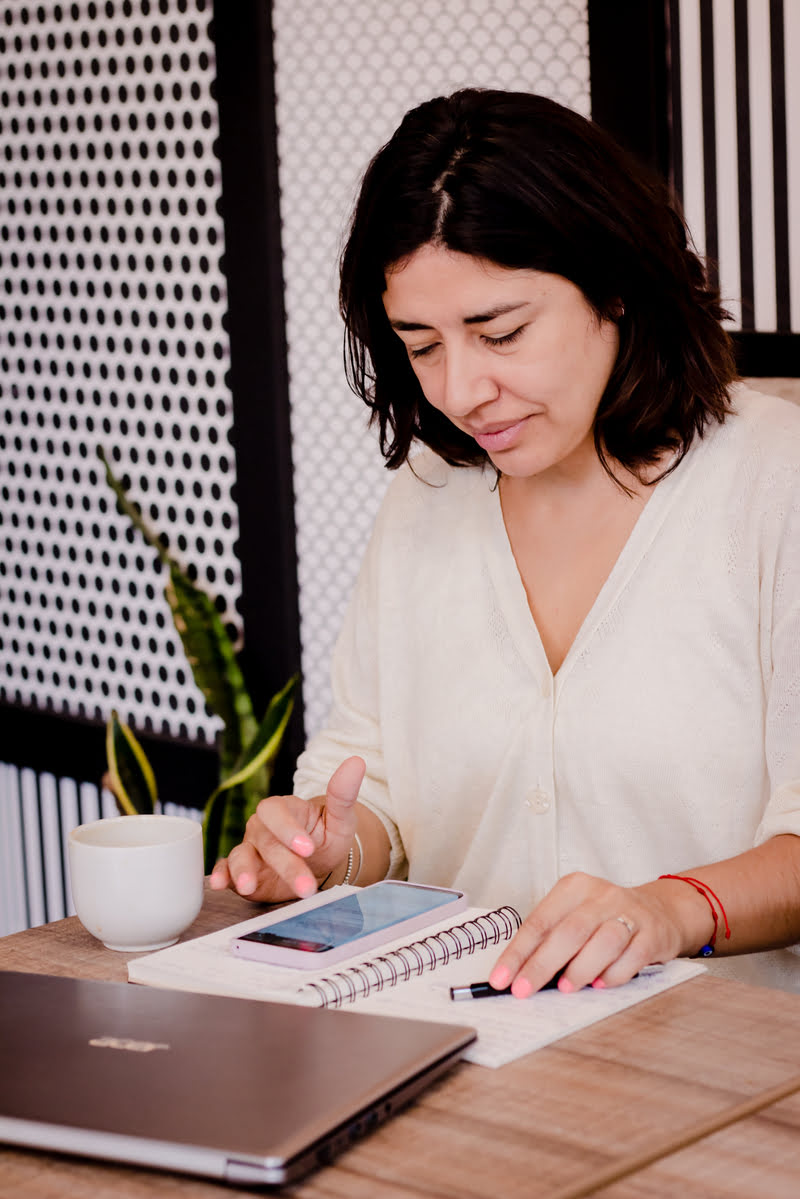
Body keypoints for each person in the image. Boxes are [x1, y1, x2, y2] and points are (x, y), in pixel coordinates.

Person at [211, 88, 800, 994]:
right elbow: (375, 791)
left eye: (501, 333)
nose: (461, 390)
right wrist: (332, 843)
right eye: (422, 345)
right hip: (473, 1046)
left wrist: (669, 907)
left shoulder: (775, 481)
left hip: (730, 1077)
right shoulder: (428, 495)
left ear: (616, 287)